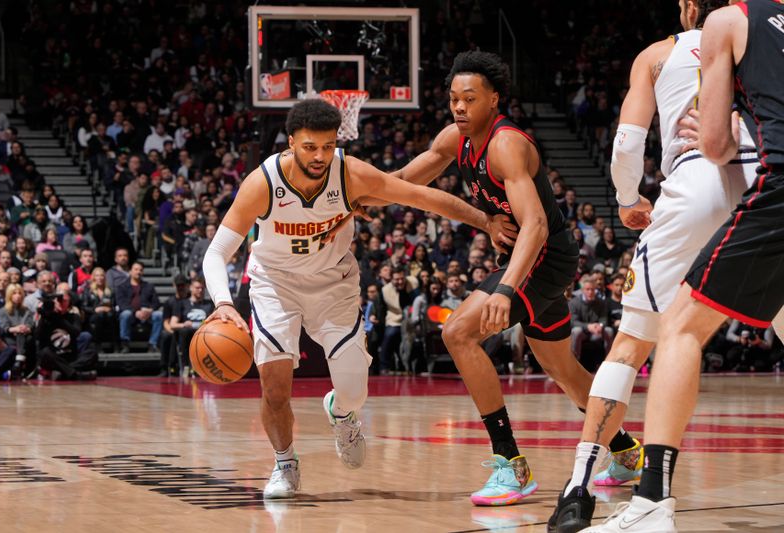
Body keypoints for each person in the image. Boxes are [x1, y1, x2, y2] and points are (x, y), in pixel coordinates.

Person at [202, 98, 515, 500]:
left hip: (334, 285)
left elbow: (421, 197)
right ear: (292, 142)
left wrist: (484, 220)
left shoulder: (349, 174)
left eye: (328, 146)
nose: (319, 156)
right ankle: (285, 464)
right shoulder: (263, 183)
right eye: (310, 146)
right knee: (275, 389)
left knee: (354, 389)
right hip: (275, 286)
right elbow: (216, 252)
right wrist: (225, 304)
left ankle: (342, 412)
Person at [388, 50, 640, 507]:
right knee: (562, 369)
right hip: (529, 260)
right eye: (453, 99)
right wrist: (361, 193)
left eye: (469, 99)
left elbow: (537, 225)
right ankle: (625, 450)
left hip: (544, 258)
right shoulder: (455, 139)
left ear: (494, 100)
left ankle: (511, 465)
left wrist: (506, 289)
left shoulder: (507, 145)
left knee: (458, 332)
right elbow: (405, 179)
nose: (460, 107)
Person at [575, 1, 783, 532]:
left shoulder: (688, 41)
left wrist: (626, 199)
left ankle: (623, 494)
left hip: (711, 183)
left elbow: (634, 144)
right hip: (758, 173)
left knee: (664, 332)